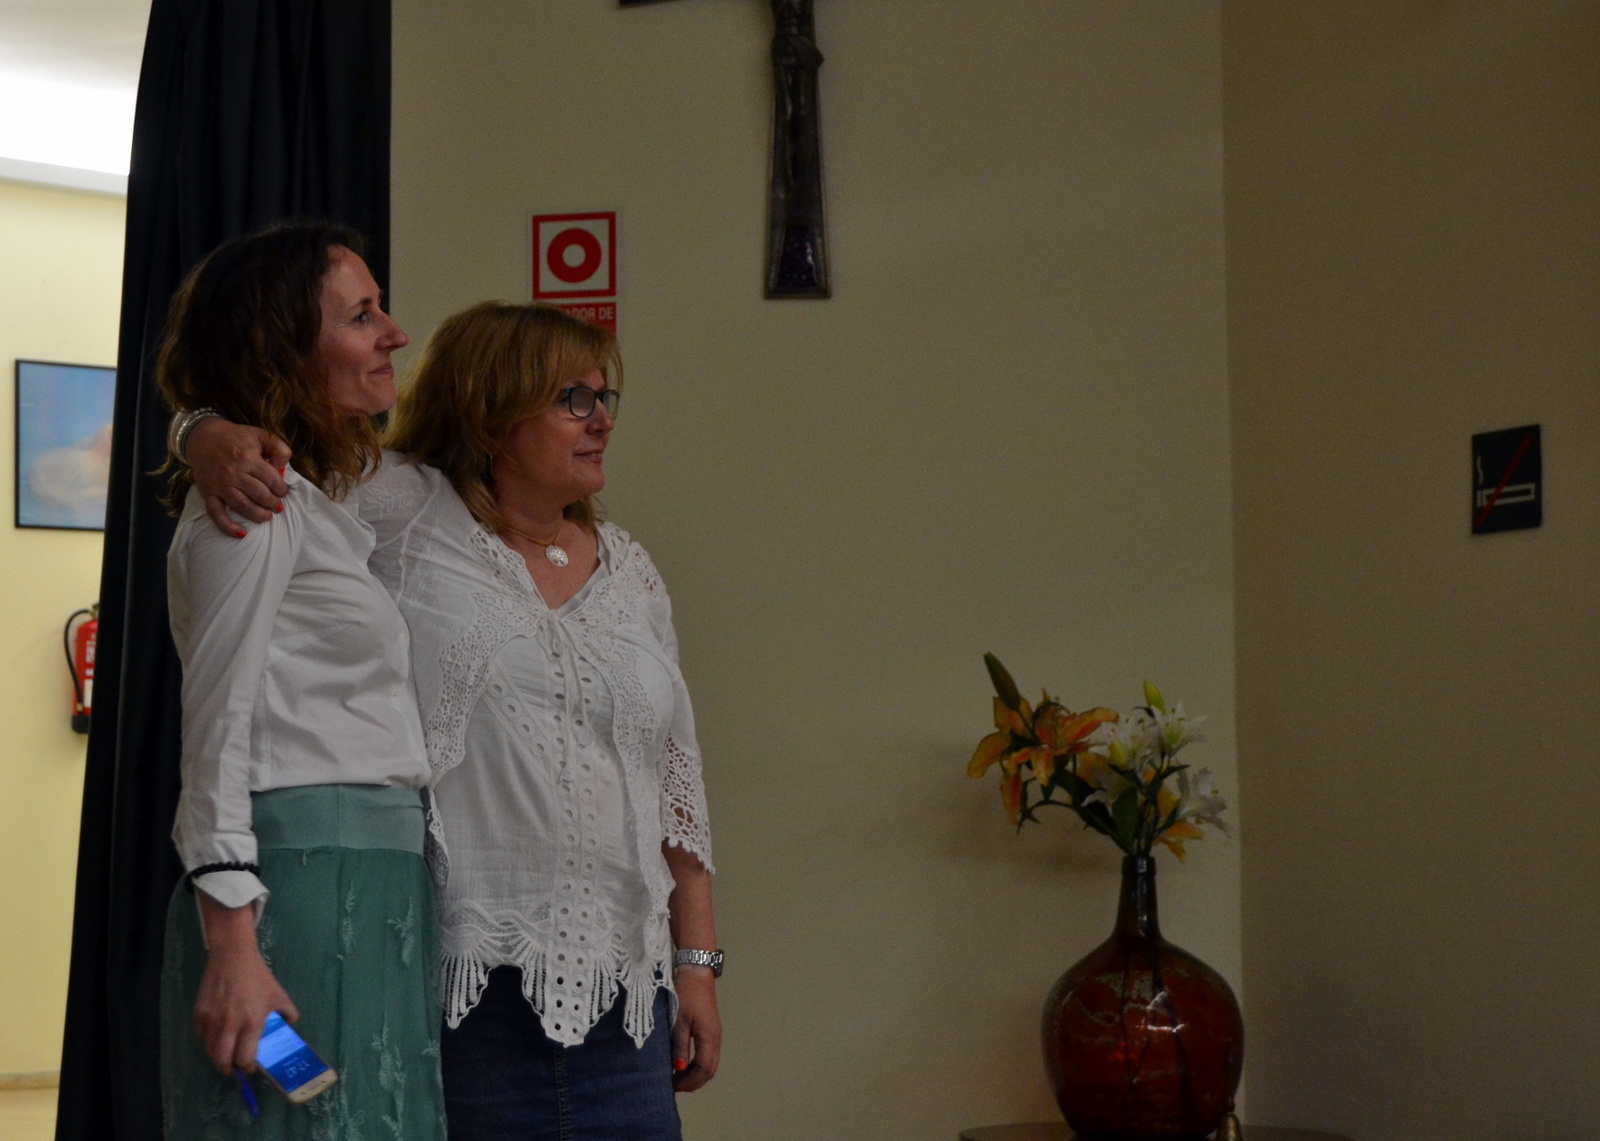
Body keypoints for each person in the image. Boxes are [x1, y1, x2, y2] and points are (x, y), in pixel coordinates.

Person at [184, 301, 720, 1140]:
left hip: (628, 1003)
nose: (602, 419)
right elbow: (275, 462)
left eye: (604, 396)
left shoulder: (633, 572)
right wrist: (199, 432)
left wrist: (697, 967)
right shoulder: (398, 509)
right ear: (492, 412)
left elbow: (675, 781)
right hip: (462, 997)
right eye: (573, 398)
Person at [157, 223, 446, 1140]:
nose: (395, 333)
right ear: (281, 348)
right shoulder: (253, 506)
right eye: (361, 317)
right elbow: (216, 729)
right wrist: (233, 943)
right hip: (300, 885)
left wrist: (192, 426)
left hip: (375, 878)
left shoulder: (317, 501)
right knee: (303, 1125)